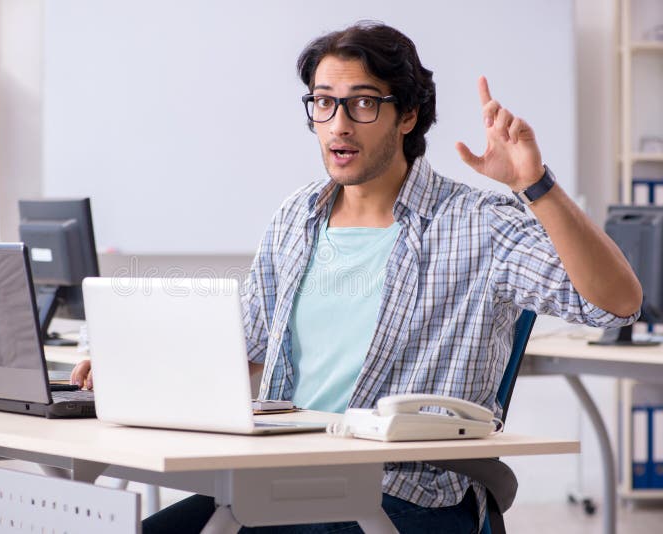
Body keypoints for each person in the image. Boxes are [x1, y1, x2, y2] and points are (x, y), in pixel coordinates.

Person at [72, 21, 641, 533]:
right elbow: (243, 354)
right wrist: (140, 368)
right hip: (276, 481)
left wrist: (534, 184)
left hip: (404, 495)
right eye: (324, 103)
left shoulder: (477, 223)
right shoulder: (297, 218)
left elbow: (618, 304)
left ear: (409, 115)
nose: (339, 125)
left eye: (363, 104)